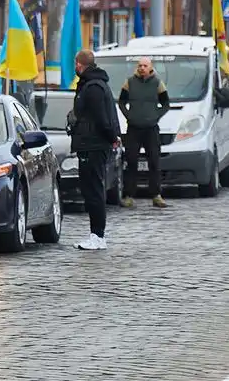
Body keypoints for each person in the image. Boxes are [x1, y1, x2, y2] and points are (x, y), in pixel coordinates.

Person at [67, 49, 120, 250]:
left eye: (75, 64)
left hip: (94, 145)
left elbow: (102, 118)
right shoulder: (94, 84)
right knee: (90, 190)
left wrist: (112, 137)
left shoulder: (93, 87)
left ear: (79, 64)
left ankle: (98, 236)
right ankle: (95, 234)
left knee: (94, 190)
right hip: (91, 144)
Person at [117, 57, 171, 209]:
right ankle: (129, 195)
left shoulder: (158, 83)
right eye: (140, 65)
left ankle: (156, 195)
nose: (142, 68)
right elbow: (121, 102)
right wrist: (129, 116)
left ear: (150, 68)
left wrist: (156, 115)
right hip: (133, 128)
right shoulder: (129, 82)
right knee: (131, 161)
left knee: (154, 161)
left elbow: (166, 104)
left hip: (151, 128)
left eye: (145, 66)